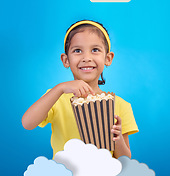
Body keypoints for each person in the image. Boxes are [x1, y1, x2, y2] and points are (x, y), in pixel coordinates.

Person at [22, 20, 138, 159]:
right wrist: (60, 88)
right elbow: (27, 123)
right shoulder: (56, 97)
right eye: (77, 51)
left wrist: (117, 138)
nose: (86, 58)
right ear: (66, 60)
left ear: (108, 58)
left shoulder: (120, 105)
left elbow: (125, 160)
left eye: (95, 50)